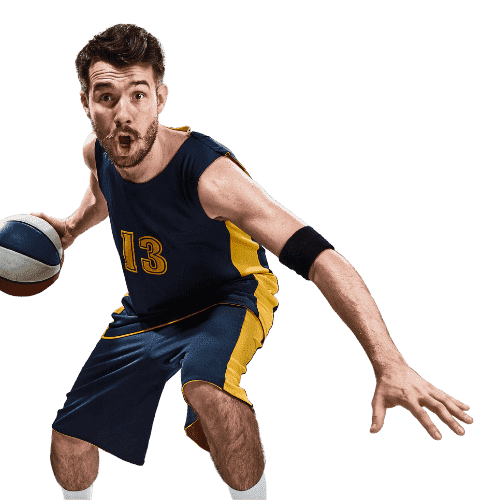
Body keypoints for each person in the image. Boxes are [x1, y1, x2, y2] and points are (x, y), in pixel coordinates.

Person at [32, 23, 472, 500]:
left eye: (138, 94)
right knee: (69, 441)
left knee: (206, 388)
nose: (123, 114)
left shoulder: (210, 177)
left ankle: (251, 498)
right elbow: (102, 194)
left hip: (228, 299)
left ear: (160, 98)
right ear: (86, 103)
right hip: (147, 310)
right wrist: (71, 226)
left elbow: (322, 258)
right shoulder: (98, 152)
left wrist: (389, 363)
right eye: (107, 97)